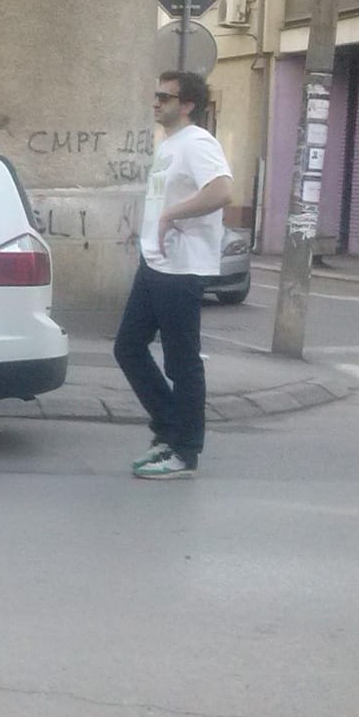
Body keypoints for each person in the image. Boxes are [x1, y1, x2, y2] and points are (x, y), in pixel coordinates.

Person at [115, 70, 233, 480]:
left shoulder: (198, 142)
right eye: (155, 94)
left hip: (181, 269)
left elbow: (221, 191)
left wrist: (171, 214)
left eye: (164, 97)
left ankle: (184, 450)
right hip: (156, 263)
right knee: (128, 348)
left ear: (187, 105)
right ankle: (169, 426)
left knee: (182, 363)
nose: (156, 102)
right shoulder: (170, 144)